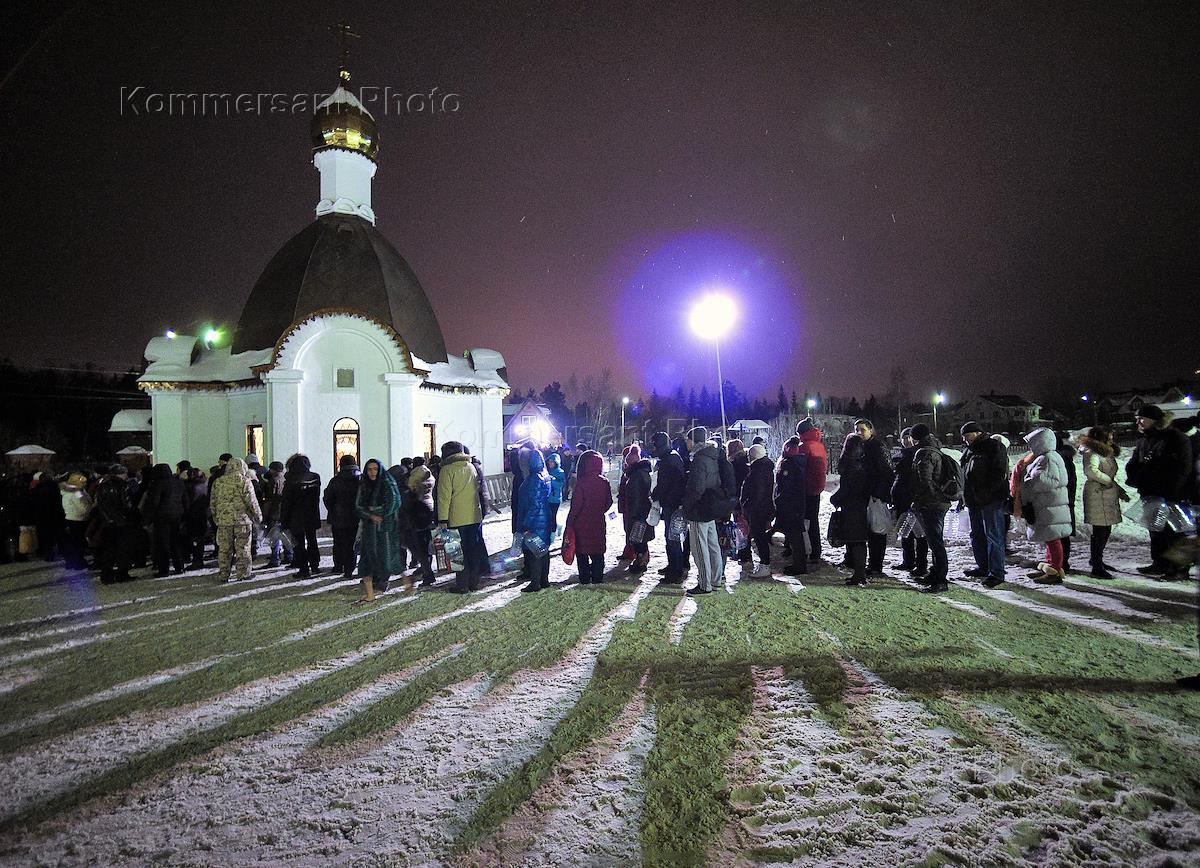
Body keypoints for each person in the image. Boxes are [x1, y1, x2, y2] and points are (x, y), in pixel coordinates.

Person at [1126, 405, 1193, 580]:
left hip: (1171, 494)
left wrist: (1173, 490)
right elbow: (1135, 463)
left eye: (1142, 419)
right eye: (1137, 419)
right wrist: (1135, 476)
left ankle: (1180, 568)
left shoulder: (1176, 438)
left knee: (1175, 532)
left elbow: (1184, 467)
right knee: (1156, 530)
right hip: (1150, 492)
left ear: (1154, 420)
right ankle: (1160, 563)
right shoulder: (1144, 440)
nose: (1138, 422)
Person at [1016, 428, 1074, 584]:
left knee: (1053, 538)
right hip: (1047, 503)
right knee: (1049, 537)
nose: (1030, 447)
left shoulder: (1047, 458)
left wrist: (1027, 480)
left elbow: (1044, 480)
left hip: (1049, 504)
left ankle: (1055, 570)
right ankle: (1050, 566)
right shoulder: (1047, 457)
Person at [960, 421, 1010, 588]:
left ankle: (997, 573)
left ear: (978, 433)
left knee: (993, 535)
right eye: (964, 437)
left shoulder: (994, 447)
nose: (965, 439)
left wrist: (987, 493)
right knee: (977, 534)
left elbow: (999, 473)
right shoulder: (969, 451)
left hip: (991, 500)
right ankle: (983, 567)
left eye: (967, 435)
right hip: (973, 500)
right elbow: (966, 475)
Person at [910, 423, 957, 593]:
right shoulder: (935, 448)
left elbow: (924, 480)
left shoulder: (924, 452)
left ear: (915, 438)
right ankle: (935, 573)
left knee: (936, 542)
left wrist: (920, 500)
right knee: (934, 540)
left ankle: (940, 580)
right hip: (938, 502)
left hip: (931, 503)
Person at [1077, 426, 1128, 579]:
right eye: (1109, 438)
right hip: (1097, 493)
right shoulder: (1092, 453)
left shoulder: (1105, 453)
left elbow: (1108, 474)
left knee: (1104, 530)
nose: (1111, 441)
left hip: (1105, 493)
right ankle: (1096, 565)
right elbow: (1091, 471)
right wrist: (1108, 482)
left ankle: (1097, 560)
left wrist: (1118, 489)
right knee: (1100, 530)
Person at [437, 441, 486, 593]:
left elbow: (444, 497)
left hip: (455, 518)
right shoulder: (470, 466)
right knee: (473, 550)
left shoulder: (447, 470)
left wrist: (442, 519)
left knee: (457, 552)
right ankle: (474, 582)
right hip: (474, 516)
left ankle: (462, 584)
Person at [355, 458, 407, 602]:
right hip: (370, 528)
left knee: (388, 557)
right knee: (367, 558)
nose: (372, 472)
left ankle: (404, 582)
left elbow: (394, 502)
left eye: (375, 469)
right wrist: (370, 515)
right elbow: (358, 506)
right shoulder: (364, 484)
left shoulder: (387, 482)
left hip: (386, 528)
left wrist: (378, 513)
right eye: (369, 469)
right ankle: (370, 593)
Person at [682, 427, 723, 595]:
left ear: (694, 441)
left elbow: (696, 487)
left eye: (688, 440)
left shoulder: (699, 459)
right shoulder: (711, 456)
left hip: (699, 509)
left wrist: (688, 505)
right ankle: (716, 579)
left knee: (700, 548)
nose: (686, 443)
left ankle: (704, 584)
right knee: (713, 545)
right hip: (709, 506)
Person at [209, 457, 263, 582]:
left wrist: (216, 518)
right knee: (243, 548)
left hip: (224, 521)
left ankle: (223, 574)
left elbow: (213, 502)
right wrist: (258, 517)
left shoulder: (218, 482)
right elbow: (252, 502)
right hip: (242, 521)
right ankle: (243, 573)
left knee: (224, 549)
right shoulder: (244, 481)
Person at [853, 419, 895, 575]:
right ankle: (873, 563)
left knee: (877, 531)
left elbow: (886, 472)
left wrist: (878, 493)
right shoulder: (863, 446)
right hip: (867, 494)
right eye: (856, 430)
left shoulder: (877, 446)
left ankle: (876, 565)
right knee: (871, 531)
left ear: (871, 430)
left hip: (875, 496)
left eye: (862, 429)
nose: (859, 432)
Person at [566, 449, 612, 585]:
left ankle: (584, 578)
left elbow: (576, 506)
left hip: (581, 524)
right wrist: (598, 511)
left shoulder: (581, 483)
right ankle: (597, 577)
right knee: (598, 551)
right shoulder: (604, 482)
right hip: (598, 522)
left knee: (582, 552)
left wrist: (570, 522)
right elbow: (608, 502)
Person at [830, 434, 871, 586]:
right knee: (859, 541)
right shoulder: (862, 463)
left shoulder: (851, 466)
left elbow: (846, 489)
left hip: (851, 506)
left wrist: (835, 499)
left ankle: (859, 574)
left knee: (855, 540)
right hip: (860, 505)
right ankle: (860, 573)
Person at [650, 431, 687, 583]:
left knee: (672, 538)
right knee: (672, 537)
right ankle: (674, 566)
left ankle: (675, 571)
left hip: (672, 504)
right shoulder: (672, 457)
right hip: (673, 502)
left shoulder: (669, 460)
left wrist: (655, 495)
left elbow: (664, 484)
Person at [891, 427, 929, 578]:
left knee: (919, 534)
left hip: (915, 501)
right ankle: (908, 561)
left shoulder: (918, 455)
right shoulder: (899, 456)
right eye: (904, 438)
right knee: (905, 532)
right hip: (902, 500)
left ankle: (921, 564)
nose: (907, 440)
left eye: (909, 437)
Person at [140, 463, 187, 577]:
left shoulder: (158, 484)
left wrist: (147, 520)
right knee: (175, 542)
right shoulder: (179, 483)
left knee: (162, 544)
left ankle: (164, 570)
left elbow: (154, 502)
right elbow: (185, 499)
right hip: (177, 516)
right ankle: (179, 566)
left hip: (162, 518)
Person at [517, 449, 555, 591]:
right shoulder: (544, 475)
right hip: (544, 517)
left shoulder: (534, 479)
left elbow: (534, 504)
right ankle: (544, 580)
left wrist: (526, 523)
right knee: (543, 550)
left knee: (535, 551)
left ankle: (535, 582)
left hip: (535, 520)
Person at [281, 454, 322, 578]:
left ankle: (303, 569)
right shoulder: (315, 477)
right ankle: (315, 566)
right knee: (312, 540)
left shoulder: (291, 480)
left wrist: (284, 521)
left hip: (296, 516)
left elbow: (287, 502)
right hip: (312, 514)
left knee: (298, 544)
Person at [94, 464, 136, 583]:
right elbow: (127, 504)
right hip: (122, 522)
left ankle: (106, 575)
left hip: (107, 522)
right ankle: (122, 574)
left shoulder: (102, 486)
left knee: (109, 549)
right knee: (123, 549)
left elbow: (100, 504)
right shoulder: (123, 485)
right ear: (120, 474)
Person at [774, 436, 809, 575]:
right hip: (796, 505)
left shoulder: (789, 465)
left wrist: (779, 501)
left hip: (791, 506)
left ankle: (799, 566)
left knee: (795, 537)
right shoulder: (798, 463)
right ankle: (799, 563)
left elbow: (785, 487)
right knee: (795, 536)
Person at [795, 417, 828, 563]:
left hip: (806, 488)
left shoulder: (804, 447)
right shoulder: (819, 445)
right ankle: (816, 550)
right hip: (817, 487)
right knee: (813, 520)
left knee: (806, 521)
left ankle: (809, 550)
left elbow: (798, 468)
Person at [323, 455, 361, 579]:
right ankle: (350, 568)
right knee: (352, 543)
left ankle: (338, 566)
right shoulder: (361, 480)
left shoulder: (335, 480)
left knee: (338, 542)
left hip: (338, 517)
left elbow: (327, 498)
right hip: (356, 517)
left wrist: (333, 510)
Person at [618, 444, 653, 574]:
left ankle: (641, 562)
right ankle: (639, 561)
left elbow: (636, 496)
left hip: (638, 513)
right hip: (639, 512)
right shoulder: (639, 474)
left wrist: (634, 513)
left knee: (639, 540)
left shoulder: (637, 476)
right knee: (639, 539)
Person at [741, 443, 776, 577]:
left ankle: (764, 565)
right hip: (761, 508)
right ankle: (764, 564)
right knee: (759, 536)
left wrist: (748, 505)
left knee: (759, 537)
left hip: (758, 510)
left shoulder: (758, 471)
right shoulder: (764, 468)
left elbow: (757, 493)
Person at [406, 457, 436, 585]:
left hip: (418, 512)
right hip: (429, 509)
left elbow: (411, 489)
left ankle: (427, 572)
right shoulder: (430, 475)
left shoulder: (415, 476)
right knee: (425, 544)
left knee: (419, 545)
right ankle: (425, 569)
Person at [1054, 431, 1079, 572]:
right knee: (1060, 533)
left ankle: (1061, 564)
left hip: (1061, 500)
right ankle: (1061, 563)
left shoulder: (1060, 459)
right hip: (1064, 499)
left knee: (1060, 533)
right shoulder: (1063, 457)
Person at [59, 472, 93, 571]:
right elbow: (83, 507)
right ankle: (78, 562)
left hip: (71, 518)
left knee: (73, 542)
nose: (85, 484)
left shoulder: (70, 491)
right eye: (83, 482)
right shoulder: (76, 493)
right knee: (78, 543)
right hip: (78, 519)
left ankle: (72, 562)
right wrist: (92, 507)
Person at [727, 439, 752, 564]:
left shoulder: (733, 464)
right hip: (748, 498)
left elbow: (733, 483)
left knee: (740, 527)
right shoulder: (748, 462)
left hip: (738, 498)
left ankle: (743, 553)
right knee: (746, 525)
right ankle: (745, 552)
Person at [260, 462, 286, 568]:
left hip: (274, 511)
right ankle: (289, 555)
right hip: (283, 511)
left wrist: (265, 515)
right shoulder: (285, 479)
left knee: (273, 536)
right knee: (285, 534)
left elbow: (270, 500)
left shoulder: (273, 481)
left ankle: (275, 558)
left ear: (273, 469)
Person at [183, 467, 210, 569]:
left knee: (194, 539)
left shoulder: (189, 486)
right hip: (202, 514)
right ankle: (199, 559)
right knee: (200, 539)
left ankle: (196, 561)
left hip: (192, 515)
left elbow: (187, 502)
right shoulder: (205, 484)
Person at [545, 452, 566, 534]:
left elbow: (560, 485)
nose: (550, 463)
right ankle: (557, 527)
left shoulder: (560, 472)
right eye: (549, 461)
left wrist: (551, 479)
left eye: (552, 462)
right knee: (548, 517)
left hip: (555, 498)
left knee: (552, 516)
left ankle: (552, 534)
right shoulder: (546, 471)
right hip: (547, 498)